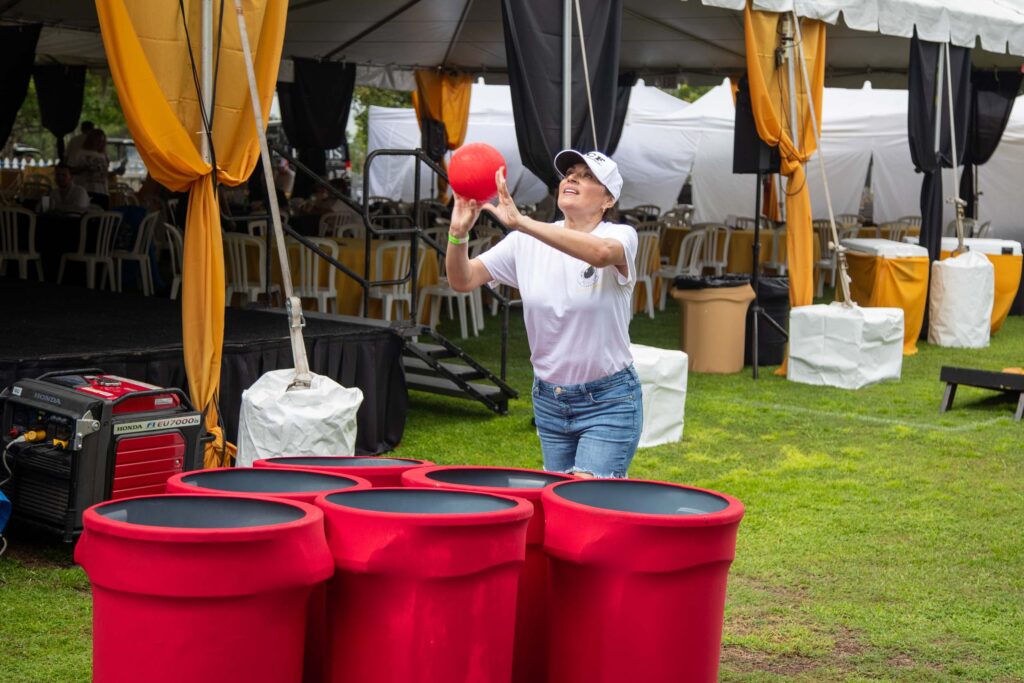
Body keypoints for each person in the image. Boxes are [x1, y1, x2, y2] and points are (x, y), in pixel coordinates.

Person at [446, 150, 642, 478]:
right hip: (551, 399)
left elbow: (600, 253)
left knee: (583, 504)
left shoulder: (619, 236)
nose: (573, 178)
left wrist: (521, 221)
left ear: (607, 199)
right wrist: (458, 233)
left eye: (588, 175)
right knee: (559, 507)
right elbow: (462, 279)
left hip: (608, 400)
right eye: (569, 173)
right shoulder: (525, 242)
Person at [70, 128, 113, 209]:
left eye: (102, 141)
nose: (99, 143)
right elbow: (71, 171)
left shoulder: (103, 155)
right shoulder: (80, 153)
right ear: (91, 140)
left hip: (102, 191)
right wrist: (85, 168)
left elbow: (104, 174)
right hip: (86, 190)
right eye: (97, 140)